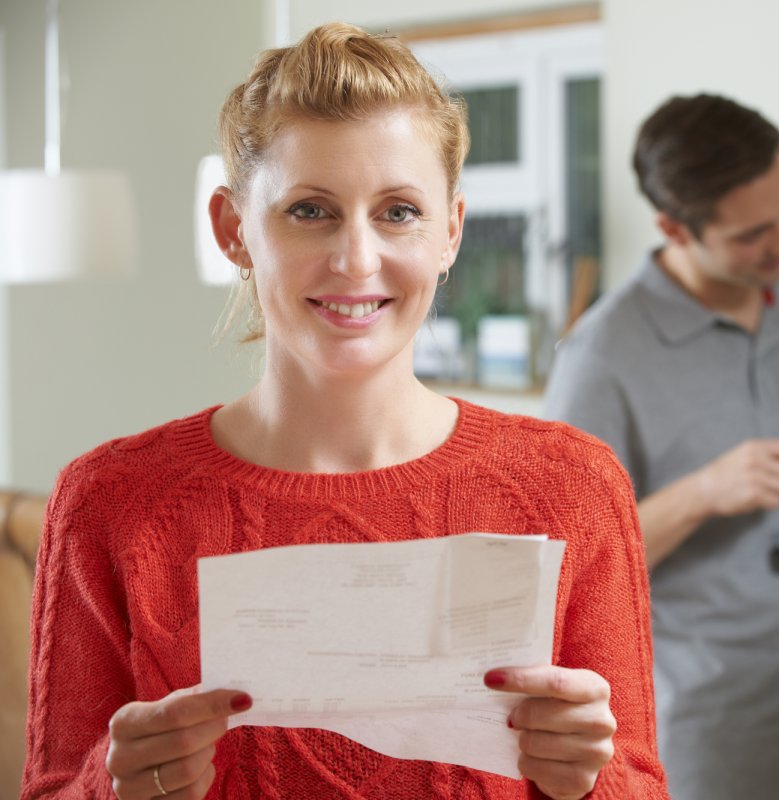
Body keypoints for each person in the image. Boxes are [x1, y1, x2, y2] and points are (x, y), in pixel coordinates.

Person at [22, 23, 667, 800]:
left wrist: (589, 780)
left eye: (398, 212)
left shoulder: (573, 484)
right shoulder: (108, 502)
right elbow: (54, 788)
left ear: (450, 231)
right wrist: (113, 788)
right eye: (310, 211)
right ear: (234, 231)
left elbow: (636, 781)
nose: (357, 259)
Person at [543, 93, 779, 799]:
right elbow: (566, 572)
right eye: (751, 235)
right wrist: (703, 492)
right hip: (714, 750)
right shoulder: (602, 357)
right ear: (672, 227)